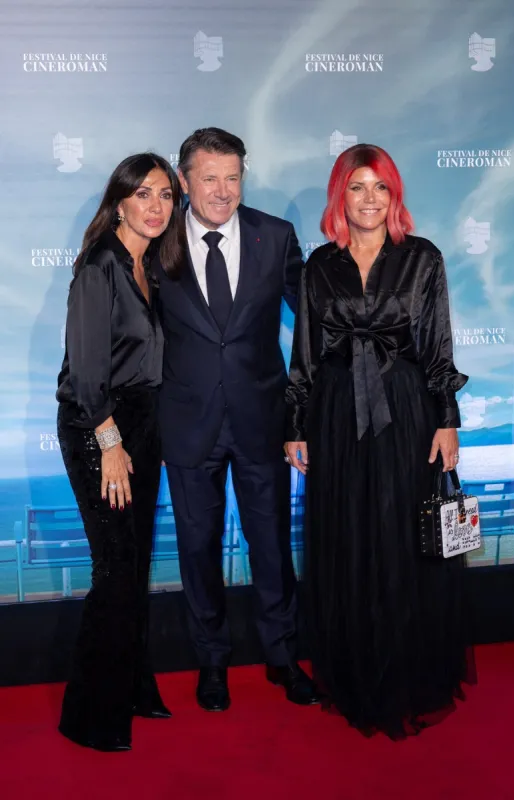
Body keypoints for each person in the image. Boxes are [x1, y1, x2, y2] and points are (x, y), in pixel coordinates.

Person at [285, 144, 475, 740]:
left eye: (381, 188)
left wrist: (447, 419)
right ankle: (354, 669)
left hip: (408, 411)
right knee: (348, 537)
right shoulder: (320, 265)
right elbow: (306, 356)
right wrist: (295, 424)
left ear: (396, 197)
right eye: (358, 188)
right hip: (339, 414)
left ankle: (411, 671)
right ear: (339, 196)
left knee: (404, 539)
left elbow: (439, 346)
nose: (370, 200)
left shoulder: (422, 259)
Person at [156, 127, 319, 711]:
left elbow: (317, 314)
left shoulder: (275, 236)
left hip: (262, 419)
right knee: (197, 549)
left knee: (271, 545)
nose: (222, 191)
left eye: (233, 177)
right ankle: (212, 662)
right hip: (186, 423)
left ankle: (282, 656)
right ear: (184, 181)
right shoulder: (158, 238)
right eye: (209, 178)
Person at [56, 153, 185, 751]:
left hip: (144, 423)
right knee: (114, 569)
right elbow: (85, 373)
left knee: (133, 567)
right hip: (97, 427)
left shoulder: (151, 266)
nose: (156, 206)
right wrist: (108, 442)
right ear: (119, 201)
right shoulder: (99, 265)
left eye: (165, 195)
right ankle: (89, 714)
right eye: (144, 194)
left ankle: (133, 687)